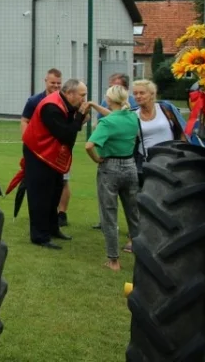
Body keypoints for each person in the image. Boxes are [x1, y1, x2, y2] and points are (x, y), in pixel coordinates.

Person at [18, 79, 90, 249]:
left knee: (55, 191)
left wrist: (79, 118)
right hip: (38, 154)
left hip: (51, 155)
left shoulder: (64, 103)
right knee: (40, 195)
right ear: (70, 93)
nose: (84, 99)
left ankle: (52, 228)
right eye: (82, 95)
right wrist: (79, 117)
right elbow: (66, 135)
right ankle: (39, 236)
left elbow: (69, 128)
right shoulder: (51, 107)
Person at [84, 84, 141, 271]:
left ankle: (113, 260)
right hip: (130, 166)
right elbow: (114, 115)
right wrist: (92, 105)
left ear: (109, 100)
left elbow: (89, 145)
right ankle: (142, 255)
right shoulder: (132, 117)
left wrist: (96, 159)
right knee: (134, 213)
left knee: (109, 215)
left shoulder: (107, 123)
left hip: (110, 168)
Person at [20, 69, 70, 226]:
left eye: (58, 83)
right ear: (46, 81)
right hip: (40, 151)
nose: (55, 86)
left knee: (63, 181)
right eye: (52, 82)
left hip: (60, 149)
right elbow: (24, 120)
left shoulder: (65, 100)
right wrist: (28, 141)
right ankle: (40, 217)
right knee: (39, 184)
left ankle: (60, 213)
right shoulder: (35, 100)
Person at [131, 78, 185, 183]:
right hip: (146, 160)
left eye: (142, 93)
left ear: (152, 94)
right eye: (135, 93)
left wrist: (181, 148)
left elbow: (183, 129)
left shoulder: (165, 109)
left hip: (170, 157)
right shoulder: (133, 115)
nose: (138, 96)